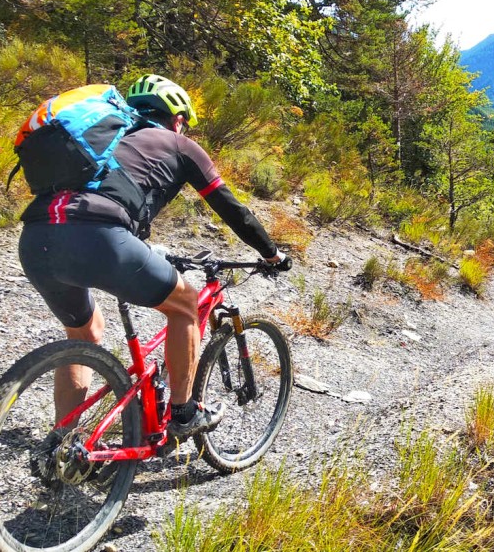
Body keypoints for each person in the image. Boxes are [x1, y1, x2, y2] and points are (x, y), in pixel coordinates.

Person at [18, 74, 290, 440]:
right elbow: (231, 209)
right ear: (177, 119)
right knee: (186, 305)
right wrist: (271, 253)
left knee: (83, 333)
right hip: (101, 237)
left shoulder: (104, 142)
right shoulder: (180, 145)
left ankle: (63, 443)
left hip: (36, 238)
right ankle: (184, 413)